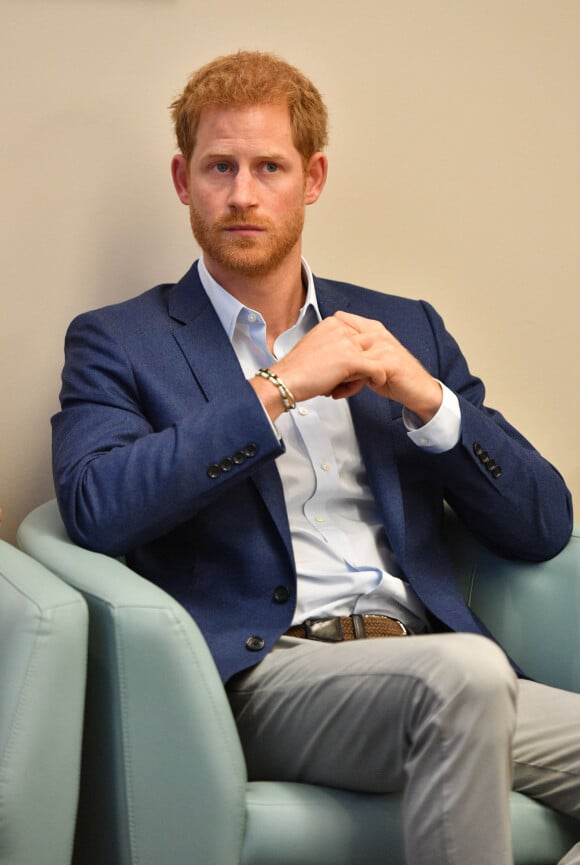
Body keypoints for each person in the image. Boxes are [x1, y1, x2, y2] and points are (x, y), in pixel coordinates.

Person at [52, 50, 578, 865]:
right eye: (219, 167)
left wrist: (427, 399)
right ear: (182, 179)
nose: (242, 194)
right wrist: (278, 388)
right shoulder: (120, 341)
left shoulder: (403, 325)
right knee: (465, 676)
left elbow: (544, 524)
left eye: (270, 167)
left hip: (428, 654)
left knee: (464, 677)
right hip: (268, 674)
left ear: (314, 178)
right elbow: (96, 504)